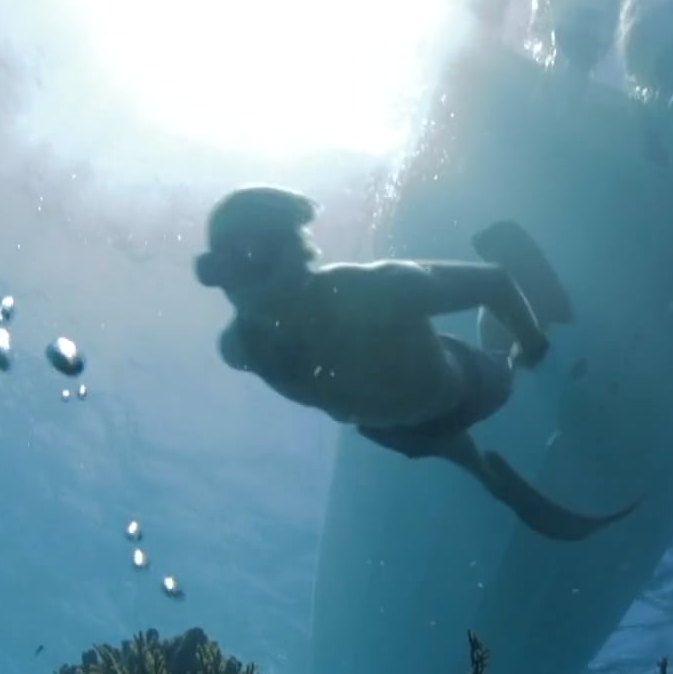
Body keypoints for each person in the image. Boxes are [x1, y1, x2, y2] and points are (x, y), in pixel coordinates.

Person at [193, 186, 634, 541]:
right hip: (396, 431)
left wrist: (535, 347)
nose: (238, 279)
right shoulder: (238, 349)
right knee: (450, 449)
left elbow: (495, 283)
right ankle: (489, 477)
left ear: (297, 251)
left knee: (503, 370)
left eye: (252, 255)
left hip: (466, 389)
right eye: (219, 266)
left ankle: (513, 359)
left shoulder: (373, 291)